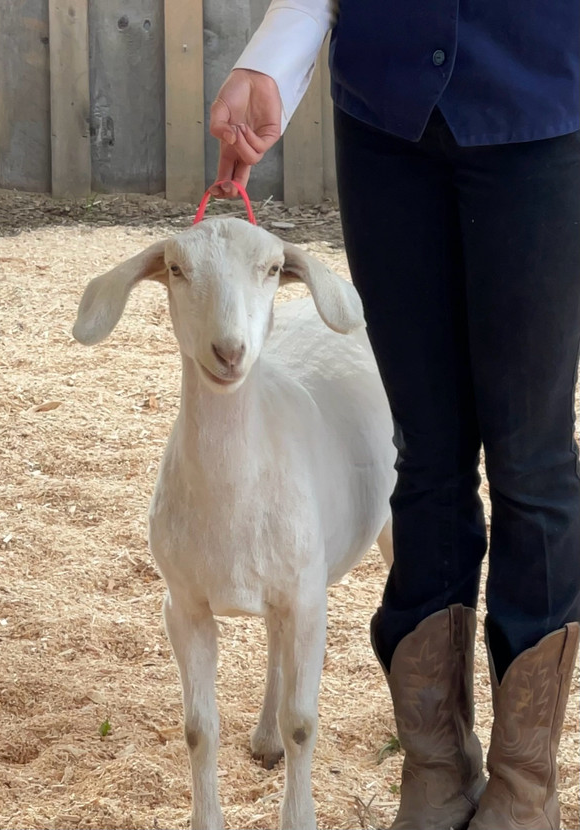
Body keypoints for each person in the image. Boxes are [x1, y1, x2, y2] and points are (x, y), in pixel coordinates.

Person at [209, 3, 580, 829]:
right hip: (387, 119)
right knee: (426, 453)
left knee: (533, 463)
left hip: (543, 110)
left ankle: (525, 786)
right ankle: (436, 766)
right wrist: (271, 61)